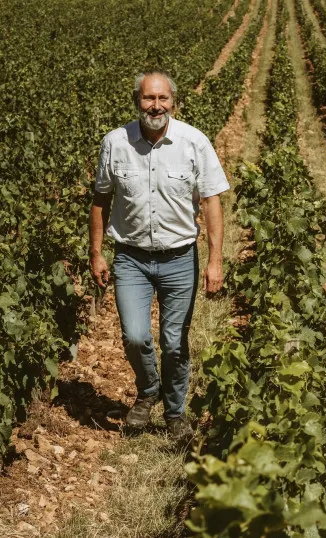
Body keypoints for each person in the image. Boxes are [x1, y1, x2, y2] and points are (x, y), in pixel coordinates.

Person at [89, 69, 229, 440]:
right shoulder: (115, 142)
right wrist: (96, 252)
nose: (155, 105)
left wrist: (215, 261)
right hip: (130, 257)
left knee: (174, 341)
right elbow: (101, 199)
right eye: (148, 99)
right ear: (137, 102)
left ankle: (174, 411)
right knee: (135, 336)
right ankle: (149, 388)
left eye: (162, 98)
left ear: (173, 101)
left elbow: (212, 202)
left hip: (180, 257)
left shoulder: (194, 142)